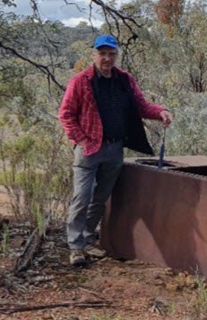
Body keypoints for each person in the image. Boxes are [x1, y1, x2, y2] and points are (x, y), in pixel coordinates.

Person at [58, 34, 172, 267]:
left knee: (100, 198)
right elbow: (66, 115)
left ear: (117, 55)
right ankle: (75, 247)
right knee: (82, 197)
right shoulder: (81, 81)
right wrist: (81, 140)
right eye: (102, 53)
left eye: (111, 54)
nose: (107, 59)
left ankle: (88, 239)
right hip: (88, 150)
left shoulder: (125, 80)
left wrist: (160, 111)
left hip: (114, 148)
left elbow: (140, 106)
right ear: (94, 55)